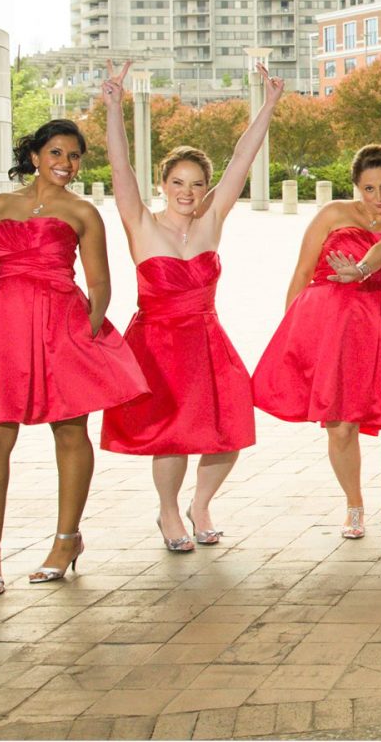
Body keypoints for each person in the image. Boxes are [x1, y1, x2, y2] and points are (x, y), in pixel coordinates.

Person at [0, 120, 149, 596]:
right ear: (34, 155)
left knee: (71, 433)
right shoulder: (0, 206)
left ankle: (66, 540)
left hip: (62, 331)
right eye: (56, 153)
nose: (66, 164)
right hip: (2, 332)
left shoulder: (82, 213)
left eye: (74, 156)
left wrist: (82, 340)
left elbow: (100, 287)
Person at [97, 60, 283, 551]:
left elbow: (242, 158)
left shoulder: (210, 222)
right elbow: (120, 168)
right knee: (171, 436)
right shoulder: (140, 223)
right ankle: (167, 512)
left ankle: (200, 505)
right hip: (156, 344)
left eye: (197, 183)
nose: (187, 192)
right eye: (178, 182)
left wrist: (269, 104)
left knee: (228, 433)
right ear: (163, 184)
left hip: (205, 339)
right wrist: (114, 105)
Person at [252, 144, 381, 550]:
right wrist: (293, 335)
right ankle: (354, 505)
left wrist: (360, 270)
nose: (378, 196)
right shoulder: (333, 214)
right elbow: (303, 272)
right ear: (356, 186)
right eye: (369, 187)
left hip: (378, 326)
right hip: (325, 324)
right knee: (341, 426)